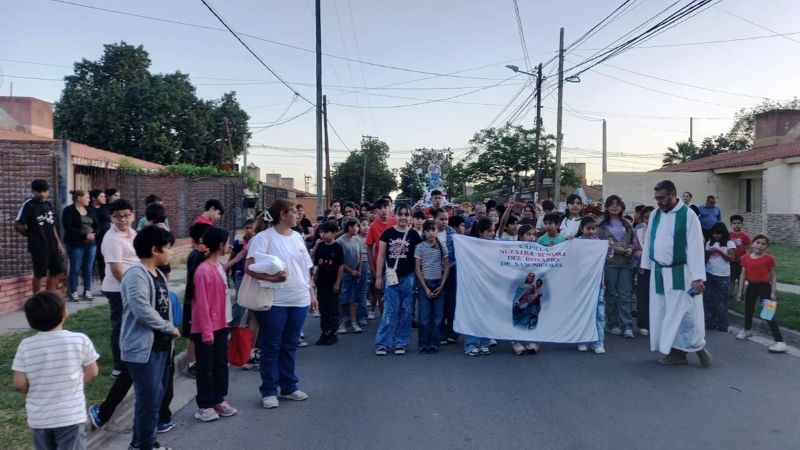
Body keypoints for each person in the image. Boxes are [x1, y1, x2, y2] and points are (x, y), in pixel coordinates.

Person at [246, 199, 318, 409]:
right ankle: (269, 389)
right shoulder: (263, 238)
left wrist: (311, 293)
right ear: (282, 214)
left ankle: (289, 386)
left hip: (299, 299)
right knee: (272, 344)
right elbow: (250, 267)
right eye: (294, 212)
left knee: (290, 344)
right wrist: (272, 279)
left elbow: (306, 268)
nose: (298, 215)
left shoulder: (297, 237)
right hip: (274, 300)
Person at [13, 292, 99, 450]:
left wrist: (35, 390)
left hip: (39, 418)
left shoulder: (26, 345)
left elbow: (19, 384)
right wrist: (73, 384)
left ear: (30, 321)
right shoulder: (80, 340)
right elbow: (92, 372)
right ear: (64, 313)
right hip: (70, 416)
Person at [120, 226, 180, 450]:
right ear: (155, 250)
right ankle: (144, 445)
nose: (170, 253)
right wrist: (169, 327)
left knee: (155, 397)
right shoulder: (137, 274)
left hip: (161, 345)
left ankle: (141, 443)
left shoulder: (157, 273)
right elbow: (141, 309)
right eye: (168, 248)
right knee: (149, 400)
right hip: (143, 348)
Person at [640, 180, 712, 367]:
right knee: (663, 313)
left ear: (673, 194)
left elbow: (696, 246)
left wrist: (698, 277)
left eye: (662, 198)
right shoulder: (655, 214)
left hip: (681, 272)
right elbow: (650, 241)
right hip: (659, 272)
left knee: (684, 313)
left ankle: (699, 347)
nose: (659, 202)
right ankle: (675, 353)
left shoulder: (688, 216)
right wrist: (645, 265)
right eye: (656, 198)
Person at [191, 227, 238, 422]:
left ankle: (218, 398)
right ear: (220, 245)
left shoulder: (218, 265)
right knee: (205, 366)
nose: (229, 246)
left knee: (220, 364)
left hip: (221, 324)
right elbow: (201, 303)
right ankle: (205, 404)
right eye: (227, 243)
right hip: (207, 327)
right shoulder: (203, 271)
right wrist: (207, 331)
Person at [374, 203, 423, 356]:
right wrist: (378, 277)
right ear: (394, 215)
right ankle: (383, 343)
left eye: (406, 214)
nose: (403, 217)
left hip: (408, 276)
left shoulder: (414, 235)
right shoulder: (387, 233)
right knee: (389, 310)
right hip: (391, 276)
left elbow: (418, 258)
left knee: (406, 310)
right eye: (400, 214)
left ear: (410, 217)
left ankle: (400, 342)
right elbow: (381, 255)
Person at [101, 199, 139, 378]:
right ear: (111, 218)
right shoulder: (112, 239)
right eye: (118, 217)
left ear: (133, 216)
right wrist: (131, 289)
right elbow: (117, 270)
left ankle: (129, 360)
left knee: (130, 324)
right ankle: (119, 366)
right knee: (120, 326)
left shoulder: (132, 233)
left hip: (132, 285)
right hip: (118, 288)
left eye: (126, 216)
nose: (122, 220)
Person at [736, 234, 786, 353]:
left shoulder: (769, 259)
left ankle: (779, 341)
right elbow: (742, 275)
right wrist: (740, 290)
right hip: (751, 286)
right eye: (758, 242)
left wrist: (773, 292)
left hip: (765, 287)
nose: (760, 245)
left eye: (763, 244)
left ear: (766, 247)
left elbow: (773, 276)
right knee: (748, 309)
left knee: (768, 314)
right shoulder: (745, 258)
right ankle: (747, 330)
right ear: (752, 244)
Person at [14, 179, 65, 295]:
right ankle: (36, 298)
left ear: (48, 191)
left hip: (52, 245)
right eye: (39, 191)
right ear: (33, 191)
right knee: (40, 274)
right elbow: (18, 225)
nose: (42, 194)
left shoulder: (48, 204)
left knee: (56, 271)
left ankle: (47, 297)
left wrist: (58, 242)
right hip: (38, 246)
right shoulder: (28, 205)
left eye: (44, 191)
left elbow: (52, 225)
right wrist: (31, 235)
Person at [596, 195, 637, 338]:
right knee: (611, 295)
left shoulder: (627, 223)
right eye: (612, 204)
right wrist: (613, 247)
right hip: (610, 264)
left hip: (626, 264)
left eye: (618, 204)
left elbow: (633, 241)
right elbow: (597, 243)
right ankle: (612, 324)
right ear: (606, 207)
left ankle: (627, 326)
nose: (615, 207)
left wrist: (631, 249)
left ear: (622, 207)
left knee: (626, 295)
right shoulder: (600, 225)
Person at [414, 220, 450, 353]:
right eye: (427, 230)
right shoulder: (420, 247)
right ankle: (423, 343)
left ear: (437, 231)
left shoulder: (442, 247)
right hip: (425, 284)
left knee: (437, 317)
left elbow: (447, 267)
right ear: (424, 232)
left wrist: (442, 285)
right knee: (424, 317)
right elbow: (418, 268)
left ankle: (435, 342)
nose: (430, 233)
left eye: (433, 230)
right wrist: (425, 287)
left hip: (439, 283)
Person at [183, 222, 213, 379]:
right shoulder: (196, 256)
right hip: (193, 299)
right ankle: (192, 364)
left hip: (196, 299)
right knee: (193, 335)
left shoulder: (199, 255)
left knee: (197, 333)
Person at [463, 218, 494, 356]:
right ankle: (471, 344)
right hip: (473, 284)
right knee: (473, 314)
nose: (491, 234)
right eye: (489, 231)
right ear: (480, 231)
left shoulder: (496, 245)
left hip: (489, 285)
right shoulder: (471, 244)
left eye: (492, 231)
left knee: (486, 314)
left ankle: (484, 342)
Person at [575, 217, 606, 354]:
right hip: (581, 283)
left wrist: (608, 246)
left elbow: (608, 257)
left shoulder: (599, 243)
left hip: (597, 282)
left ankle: (598, 341)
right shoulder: (575, 243)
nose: (591, 231)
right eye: (588, 228)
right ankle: (582, 340)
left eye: (594, 228)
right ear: (582, 228)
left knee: (599, 313)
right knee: (582, 311)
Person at [61, 190, 98, 302]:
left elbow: (97, 224)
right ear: (79, 198)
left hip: (91, 244)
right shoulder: (68, 210)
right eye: (86, 197)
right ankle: (74, 291)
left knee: (88, 268)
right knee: (75, 268)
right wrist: (85, 235)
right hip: (75, 244)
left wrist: (94, 234)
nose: (89, 199)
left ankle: (87, 291)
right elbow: (68, 227)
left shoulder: (90, 210)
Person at [313, 221, 345, 345]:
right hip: (321, 282)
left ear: (334, 233)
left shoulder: (337, 247)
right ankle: (325, 331)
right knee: (323, 308)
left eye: (326, 232)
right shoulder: (320, 246)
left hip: (333, 283)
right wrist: (314, 276)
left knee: (333, 308)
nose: (323, 235)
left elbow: (341, 266)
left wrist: (337, 283)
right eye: (321, 232)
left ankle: (333, 332)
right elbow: (315, 262)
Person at [366, 197, 396, 318]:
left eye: (386, 207)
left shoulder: (395, 221)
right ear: (377, 211)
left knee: (393, 289)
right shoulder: (373, 226)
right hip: (380, 263)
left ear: (390, 208)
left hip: (395, 261)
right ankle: (385, 317)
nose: (384, 210)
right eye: (380, 208)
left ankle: (393, 315)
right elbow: (369, 247)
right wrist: (372, 267)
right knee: (380, 289)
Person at [704, 222, 736, 332]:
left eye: (719, 234)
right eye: (714, 234)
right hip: (710, 273)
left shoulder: (729, 243)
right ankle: (710, 322)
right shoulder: (710, 242)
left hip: (723, 275)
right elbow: (706, 257)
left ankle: (723, 323)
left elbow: (732, 258)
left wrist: (719, 251)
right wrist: (707, 252)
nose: (716, 236)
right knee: (709, 299)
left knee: (722, 300)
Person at [433, 208, 458, 345]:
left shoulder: (452, 233)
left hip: (451, 270)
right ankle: (440, 332)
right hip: (435, 272)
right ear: (434, 219)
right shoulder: (429, 232)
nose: (444, 222)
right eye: (441, 219)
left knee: (451, 302)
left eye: (446, 219)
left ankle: (453, 332)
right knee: (439, 302)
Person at [336, 219, 364, 335]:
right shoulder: (340, 242)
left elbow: (361, 256)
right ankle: (340, 323)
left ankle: (353, 322)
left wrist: (359, 271)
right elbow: (340, 261)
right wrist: (351, 271)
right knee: (342, 300)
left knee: (354, 299)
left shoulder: (358, 240)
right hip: (344, 275)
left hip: (355, 274)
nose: (358, 229)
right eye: (356, 227)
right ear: (350, 227)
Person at [635, 206, 655, 336]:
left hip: (658, 268)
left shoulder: (661, 230)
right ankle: (643, 324)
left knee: (658, 296)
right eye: (646, 217)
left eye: (651, 216)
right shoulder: (638, 231)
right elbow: (634, 247)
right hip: (643, 267)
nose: (648, 219)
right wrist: (641, 255)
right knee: (643, 295)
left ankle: (657, 324)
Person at [728, 214, 752, 298]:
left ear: (742, 224)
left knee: (741, 278)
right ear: (731, 225)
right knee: (731, 279)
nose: (736, 225)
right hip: (731, 261)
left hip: (741, 262)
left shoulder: (745, 236)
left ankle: (740, 294)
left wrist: (747, 257)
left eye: (739, 223)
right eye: (734, 223)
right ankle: (729, 295)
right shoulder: (728, 235)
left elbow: (749, 248)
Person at [90, 189, 110, 280]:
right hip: (92, 238)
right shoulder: (88, 208)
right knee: (90, 262)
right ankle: (88, 286)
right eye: (101, 197)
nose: (104, 198)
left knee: (103, 262)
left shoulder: (107, 208)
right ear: (94, 198)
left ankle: (104, 284)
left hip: (105, 238)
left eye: (104, 196)